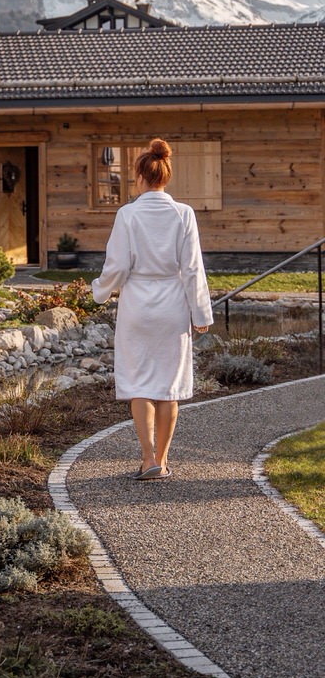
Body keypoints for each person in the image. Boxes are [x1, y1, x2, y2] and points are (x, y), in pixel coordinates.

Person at [91, 139, 213, 480]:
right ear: (165, 176)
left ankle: (147, 459)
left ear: (139, 176)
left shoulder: (127, 215)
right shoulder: (183, 213)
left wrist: (99, 292)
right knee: (168, 386)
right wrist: (200, 313)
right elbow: (192, 268)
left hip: (137, 306)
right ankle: (163, 458)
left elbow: (116, 266)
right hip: (173, 306)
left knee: (139, 383)